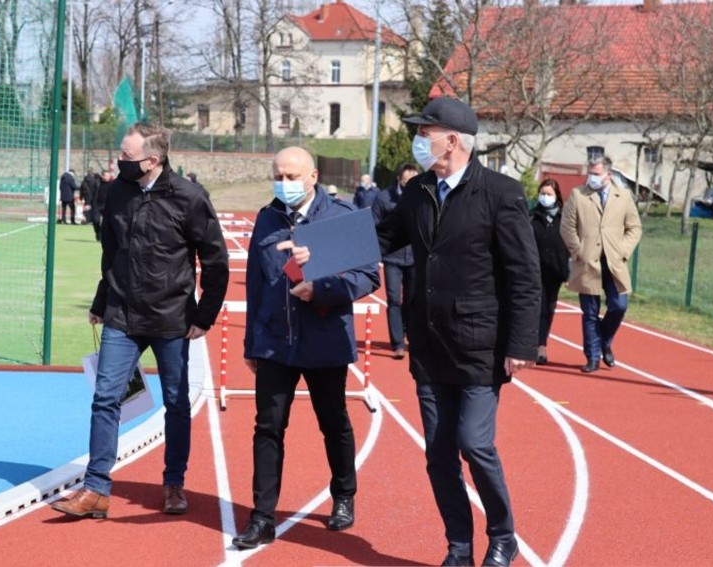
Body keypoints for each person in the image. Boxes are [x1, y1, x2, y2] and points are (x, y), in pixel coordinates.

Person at [285, 97, 541, 567]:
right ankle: (459, 545)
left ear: (453, 140)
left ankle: (503, 535)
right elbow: (379, 237)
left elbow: (525, 275)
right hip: (429, 341)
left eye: (426, 132)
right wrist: (314, 255)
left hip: (480, 343)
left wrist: (522, 344)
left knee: (475, 443)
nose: (418, 140)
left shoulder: (500, 193)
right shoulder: (420, 190)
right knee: (439, 453)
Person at [51, 122, 229, 519]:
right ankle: (96, 488)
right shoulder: (117, 193)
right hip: (122, 315)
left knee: (176, 403)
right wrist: (101, 301)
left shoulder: (189, 197)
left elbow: (216, 261)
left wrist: (205, 316)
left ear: (153, 159)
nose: (119, 161)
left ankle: (173, 485)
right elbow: (111, 252)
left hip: (172, 319)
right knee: (105, 398)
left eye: (127, 156)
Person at [231, 146, 380, 549]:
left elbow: (368, 276)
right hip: (275, 342)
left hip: (324, 339)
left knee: (333, 422)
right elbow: (258, 284)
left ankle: (344, 494)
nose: (285, 182)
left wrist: (323, 287)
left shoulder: (343, 215)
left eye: (293, 176)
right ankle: (262, 517)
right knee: (268, 426)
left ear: (313, 176)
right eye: (279, 175)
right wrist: (251, 343)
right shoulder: (266, 219)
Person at [560, 155, 642, 373]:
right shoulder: (579, 195)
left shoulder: (623, 196)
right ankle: (593, 357)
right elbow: (567, 226)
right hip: (587, 262)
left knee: (619, 306)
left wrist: (623, 250)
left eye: (596, 173)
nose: (592, 177)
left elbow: (634, 228)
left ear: (608, 174)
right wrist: (578, 250)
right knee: (589, 312)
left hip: (614, 262)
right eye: (590, 173)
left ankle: (604, 340)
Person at [371, 162, 419, 359]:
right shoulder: (384, 198)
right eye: (407, 182)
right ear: (399, 179)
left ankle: (411, 334)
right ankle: (397, 342)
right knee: (393, 299)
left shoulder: (422, 196)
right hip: (392, 257)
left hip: (415, 257)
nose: (410, 185)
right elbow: (375, 226)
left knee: (413, 299)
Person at [530, 178, 570, 365]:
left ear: (556, 196)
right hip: (535, 270)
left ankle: (540, 341)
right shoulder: (531, 216)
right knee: (539, 307)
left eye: (549, 194)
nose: (545, 197)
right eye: (542, 193)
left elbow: (570, 243)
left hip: (555, 270)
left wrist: (568, 269)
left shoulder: (564, 218)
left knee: (549, 308)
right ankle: (540, 347)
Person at [90, 170, 111, 241]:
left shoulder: (112, 184)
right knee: (95, 221)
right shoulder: (96, 183)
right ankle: (97, 233)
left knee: (106, 223)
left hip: (108, 206)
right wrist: (88, 203)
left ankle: (103, 236)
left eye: (109, 176)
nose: (108, 177)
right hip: (97, 205)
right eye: (106, 176)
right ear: (102, 176)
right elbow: (91, 194)